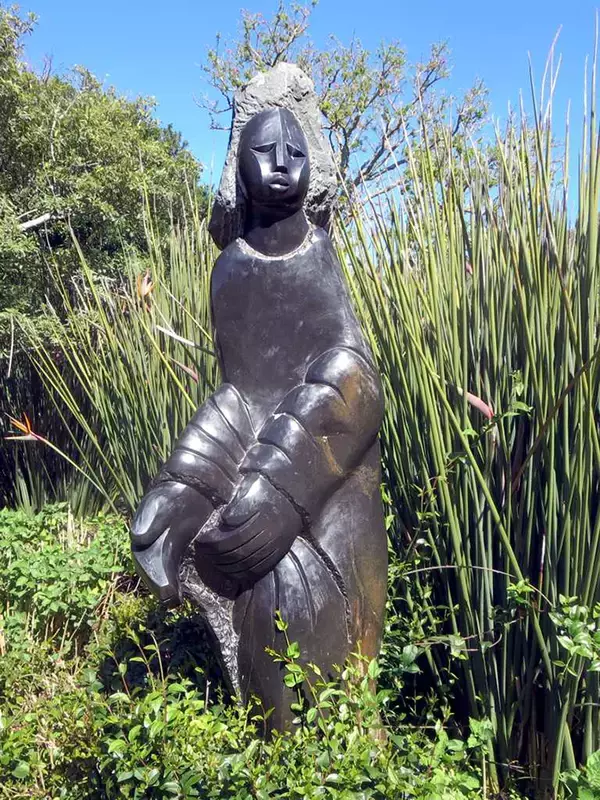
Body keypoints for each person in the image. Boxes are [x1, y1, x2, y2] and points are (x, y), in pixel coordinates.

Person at [131, 106, 387, 729]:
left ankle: (337, 756)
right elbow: (241, 394)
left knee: (296, 602)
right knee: (262, 613)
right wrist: (187, 483)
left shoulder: (319, 256)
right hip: (262, 479)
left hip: (333, 500)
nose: (281, 165)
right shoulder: (229, 271)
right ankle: (274, 761)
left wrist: (279, 487)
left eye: (295, 152)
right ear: (237, 168)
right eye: (264, 151)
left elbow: (355, 380)